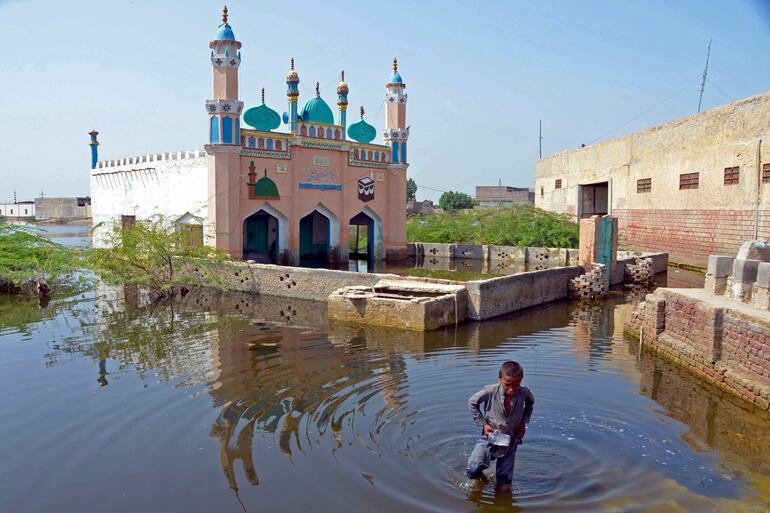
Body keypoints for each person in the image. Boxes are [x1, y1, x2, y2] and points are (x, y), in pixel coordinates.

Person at [466, 361, 535, 487]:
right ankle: (482, 478)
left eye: (516, 385)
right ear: (499, 379)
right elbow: (472, 402)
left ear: (521, 380)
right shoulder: (491, 391)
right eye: (507, 385)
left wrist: (523, 422)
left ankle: (501, 503)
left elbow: (530, 404)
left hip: (511, 439)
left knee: (504, 482)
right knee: (473, 469)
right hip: (490, 437)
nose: (511, 390)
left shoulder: (524, 392)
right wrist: (483, 424)